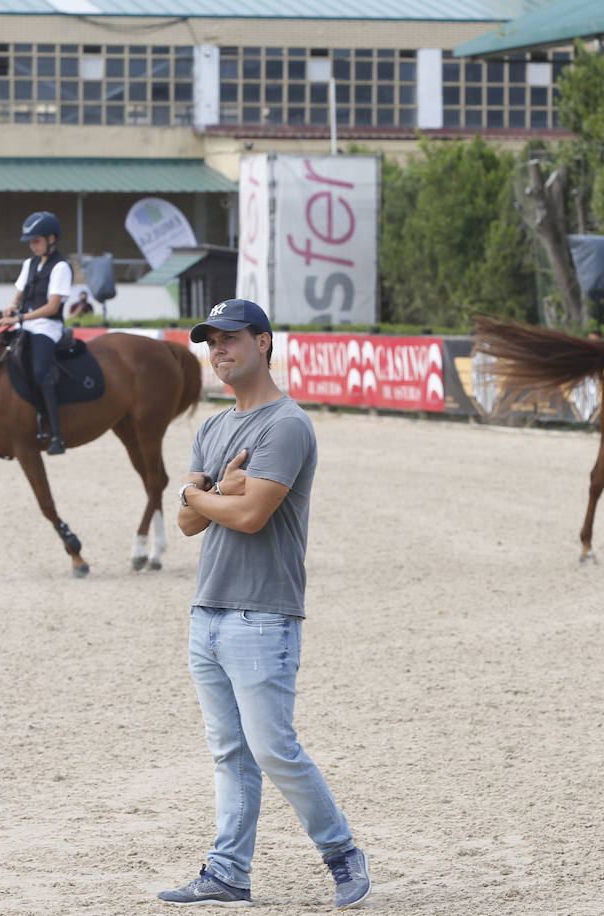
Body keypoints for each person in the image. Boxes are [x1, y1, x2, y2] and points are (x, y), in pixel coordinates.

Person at [159, 298, 370, 910]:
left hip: (262, 613)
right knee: (229, 752)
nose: (217, 350)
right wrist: (207, 494)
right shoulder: (214, 427)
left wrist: (206, 494)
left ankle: (341, 853)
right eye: (210, 342)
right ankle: (228, 872)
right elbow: (186, 521)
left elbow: (250, 516)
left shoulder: (286, 426)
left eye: (229, 338)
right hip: (209, 610)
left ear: (264, 342)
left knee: (273, 747)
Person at [2, 210, 72, 455]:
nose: (32, 246)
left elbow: (53, 306)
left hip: (47, 327)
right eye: (30, 242)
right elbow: (19, 294)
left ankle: (56, 435)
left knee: (40, 371)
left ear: (52, 239)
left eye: (36, 241)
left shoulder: (61, 267)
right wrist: (12, 306)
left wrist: (21, 317)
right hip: (25, 324)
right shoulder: (29, 264)